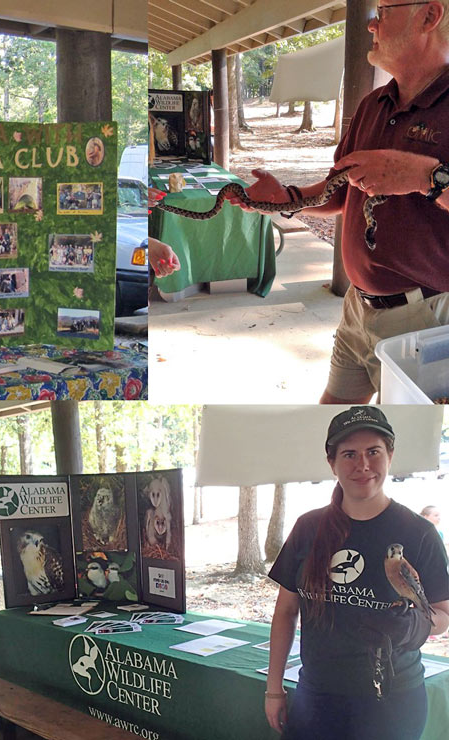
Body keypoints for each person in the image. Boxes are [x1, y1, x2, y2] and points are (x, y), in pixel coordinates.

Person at [226, 2, 449, 404]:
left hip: (424, 318)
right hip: (356, 309)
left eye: (384, 9)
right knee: (332, 415)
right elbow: (341, 191)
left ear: (429, 17)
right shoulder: (372, 105)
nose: (371, 22)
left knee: (401, 425)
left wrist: (423, 176)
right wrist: (287, 199)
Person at [265, 406, 449, 739]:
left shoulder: (419, 533)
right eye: (349, 454)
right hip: (317, 695)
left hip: (392, 700)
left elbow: (442, 614)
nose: (362, 465)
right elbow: (286, 611)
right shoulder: (309, 527)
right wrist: (274, 689)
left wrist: (415, 626)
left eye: (373, 452)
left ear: (390, 455)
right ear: (331, 462)